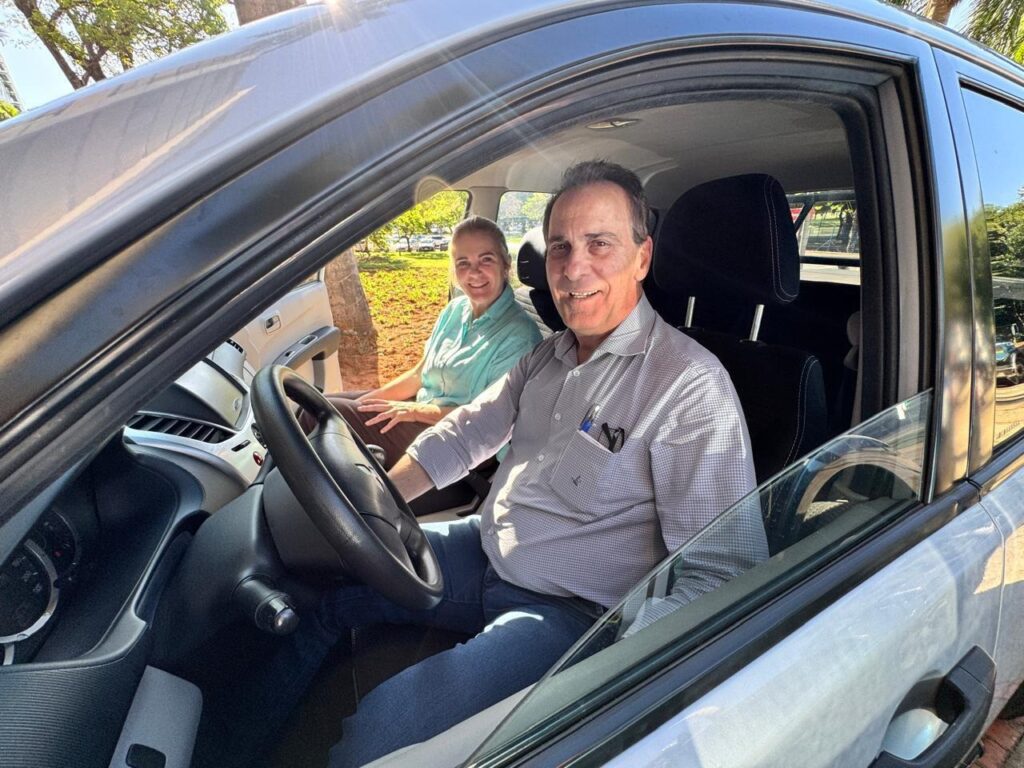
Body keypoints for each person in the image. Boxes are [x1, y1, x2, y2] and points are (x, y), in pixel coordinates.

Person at [256, 161, 767, 768]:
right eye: (559, 247)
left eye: (599, 244)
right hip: (487, 549)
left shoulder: (688, 388)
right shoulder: (547, 357)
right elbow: (469, 430)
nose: (574, 269)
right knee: (322, 587)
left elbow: (721, 575)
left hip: (574, 614)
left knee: (375, 740)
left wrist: (609, 675)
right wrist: (378, 502)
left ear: (642, 256)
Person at [310, 215, 543, 468]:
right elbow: (419, 374)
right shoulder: (455, 310)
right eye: (463, 262)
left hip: (460, 440)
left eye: (486, 259)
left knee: (321, 419)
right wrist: (364, 404)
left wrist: (412, 412)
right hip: (422, 412)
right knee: (317, 405)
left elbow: (485, 419)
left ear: (506, 264)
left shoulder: (519, 335)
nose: (474, 272)